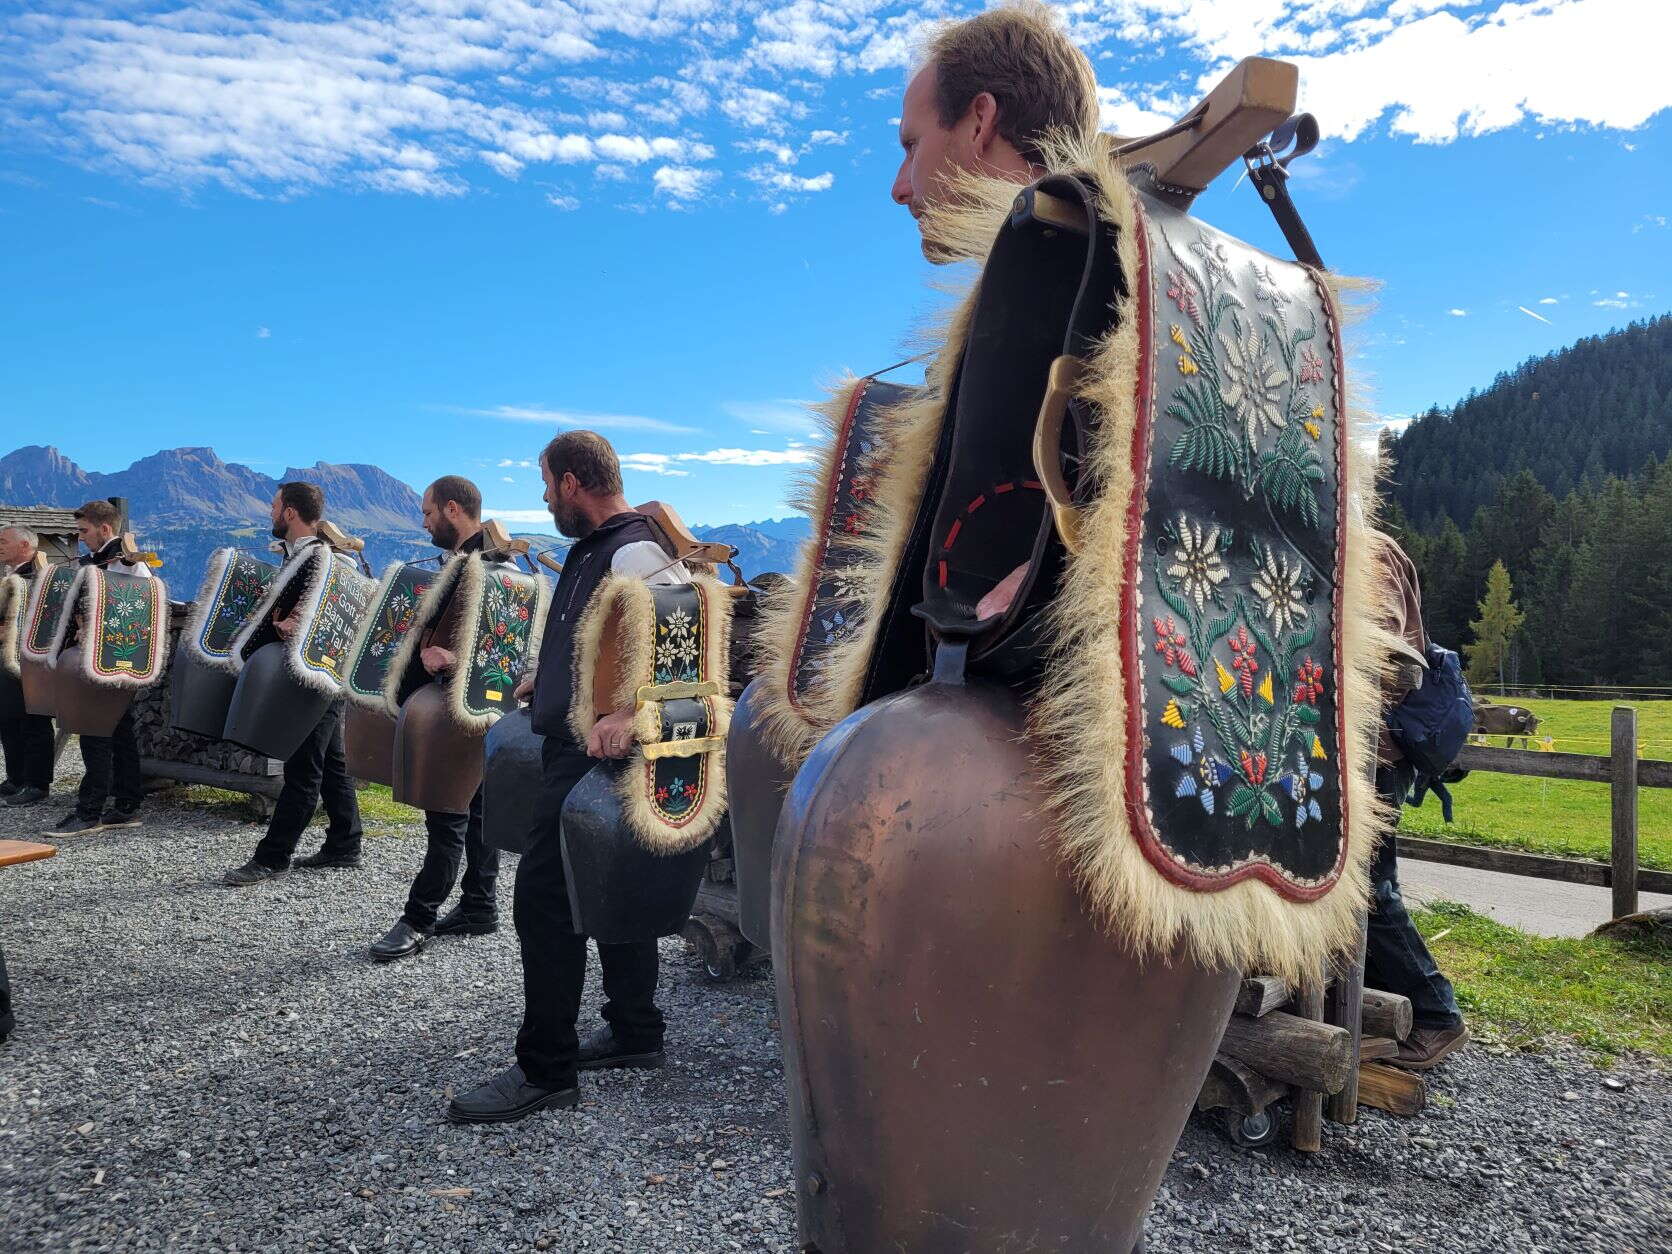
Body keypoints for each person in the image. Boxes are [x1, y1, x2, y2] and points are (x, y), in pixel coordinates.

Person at [448, 431, 688, 1123]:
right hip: (574, 748)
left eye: (548, 483)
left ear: (573, 483)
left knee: (546, 906)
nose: (545, 496)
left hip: (597, 757)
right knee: (607, 885)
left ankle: (545, 1071)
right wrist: (545, 679)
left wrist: (634, 713)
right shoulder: (603, 547)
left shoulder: (635, 548)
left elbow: (681, 647)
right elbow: (602, 642)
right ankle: (636, 1033)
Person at [891, 1, 1100, 620]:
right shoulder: (1133, 271)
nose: (900, 186)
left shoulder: (1079, 281)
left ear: (980, 119)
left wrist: (1056, 579)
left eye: (912, 145)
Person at [370, 475, 502, 962]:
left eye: (427, 513)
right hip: (469, 709)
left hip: (456, 707)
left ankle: (418, 917)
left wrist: (452, 659)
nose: (423, 522)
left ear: (451, 509)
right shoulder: (473, 563)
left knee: (447, 816)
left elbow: (503, 644)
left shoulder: (487, 566)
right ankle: (479, 906)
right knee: (478, 812)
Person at [222, 482, 364, 885]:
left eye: (273, 505)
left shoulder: (323, 557)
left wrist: (301, 628)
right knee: (332, 763)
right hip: (319, 677)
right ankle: (345, 843)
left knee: (303, 769)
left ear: (289, 512)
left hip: (310, 675)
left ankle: (272, 857)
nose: (269, 512)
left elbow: (340, 610)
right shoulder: (308, 556)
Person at [1370, 536, 1469, 1069]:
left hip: (1373, 751)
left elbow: (1396, 663)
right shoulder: (1355, 545)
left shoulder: (1369, 551)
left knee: (1368, 884)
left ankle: (1434, 1015)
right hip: (1358, 749)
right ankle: (1383, 1004)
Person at [43, 501, 152, 836]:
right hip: (105, 658)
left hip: (111, 657)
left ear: (105, 529)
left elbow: (137, 608)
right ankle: (126, 805)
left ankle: (89, 811)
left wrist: (92, 627)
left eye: (84, 531)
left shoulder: (130, 564)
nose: (80, 538)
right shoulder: (97, 562)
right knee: (119, 732)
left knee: (95, 733)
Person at [0, 526, 55, 809]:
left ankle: (37, 783)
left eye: (3, 540)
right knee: (8, 719)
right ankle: (16, 777)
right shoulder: (10, 577)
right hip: (6, 659)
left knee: (34, 720)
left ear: (24, 545)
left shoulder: (42, 577)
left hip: (32, 658)